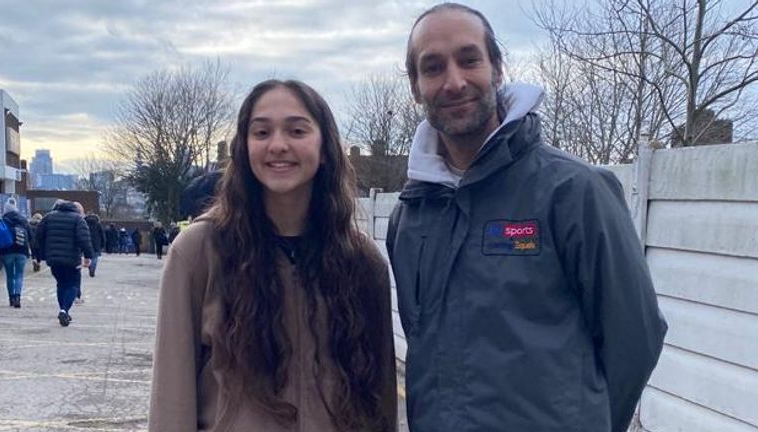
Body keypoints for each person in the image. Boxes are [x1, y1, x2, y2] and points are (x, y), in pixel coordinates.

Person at [385, 4, 668, 432]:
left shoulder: (573, 190)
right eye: (433, 67)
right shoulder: (410, 216)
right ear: (415, 87)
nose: (455, 81)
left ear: (497, 69)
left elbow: (636, 336)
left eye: (469, 59)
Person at [149, 79, 396, 431]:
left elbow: (381, 397)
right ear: (244, 148)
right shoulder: (199, 251)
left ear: (324, 146)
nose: (278, 145)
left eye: (297, 130)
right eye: (261, 132)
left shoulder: (361, 261)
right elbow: (171, 398)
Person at [35, 199, 93, 327]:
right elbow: (84, 238)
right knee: (72, 285)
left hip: (53, 258)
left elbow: (38, 235)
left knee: (61, 284)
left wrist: (41, 253)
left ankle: (63, 310)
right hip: (72, 258)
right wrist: (88, 256)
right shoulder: (78, 219)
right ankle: (64, 310)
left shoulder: (48, 217)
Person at [0, 198, 33, 308]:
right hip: (22, 251)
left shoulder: (3, 221)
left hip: (7, 251)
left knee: (10, 275)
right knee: (19, 275)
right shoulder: (23, 220)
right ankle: (17, 297)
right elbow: (30, 236)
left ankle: (11, 298)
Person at [84, 213, 105, 277]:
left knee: (88, 256)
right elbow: (102, 235)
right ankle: (93, 268)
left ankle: (90, 267)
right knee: (95, 257)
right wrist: (103, 244)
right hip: (96, 243)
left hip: (87, 241)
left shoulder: (84, 223)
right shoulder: (98, 224)